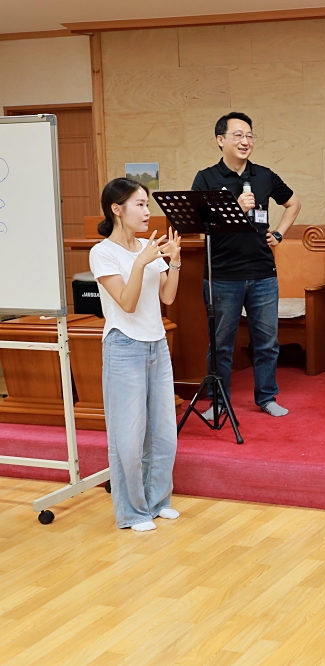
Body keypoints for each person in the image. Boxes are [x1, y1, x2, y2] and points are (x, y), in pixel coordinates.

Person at [191, 112, 302, 418]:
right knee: (221, 344)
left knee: (267, 342)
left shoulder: (264, 175)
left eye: (249, 135)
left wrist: (278, 233)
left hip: (263, 272)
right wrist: (234, 208)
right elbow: (199, 225)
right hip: (223, 275)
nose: (245, 141)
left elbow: (293, 203)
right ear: (220, 140)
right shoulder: (206, 178)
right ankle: (218, 403)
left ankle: (266, 397)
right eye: (238, 135)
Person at [89, 178, 182, 531]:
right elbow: (127, 303)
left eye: (147, 204)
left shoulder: (147, 246)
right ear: (117, 209)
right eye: (140, 204)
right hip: (124, 346)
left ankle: (157, 502)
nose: (147, 212)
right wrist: (141, 263)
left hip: (157, 344)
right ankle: (131, 512)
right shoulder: (102, 253)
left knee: (163, 433)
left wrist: (174, 262)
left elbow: (167, 297)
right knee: (128, 439)